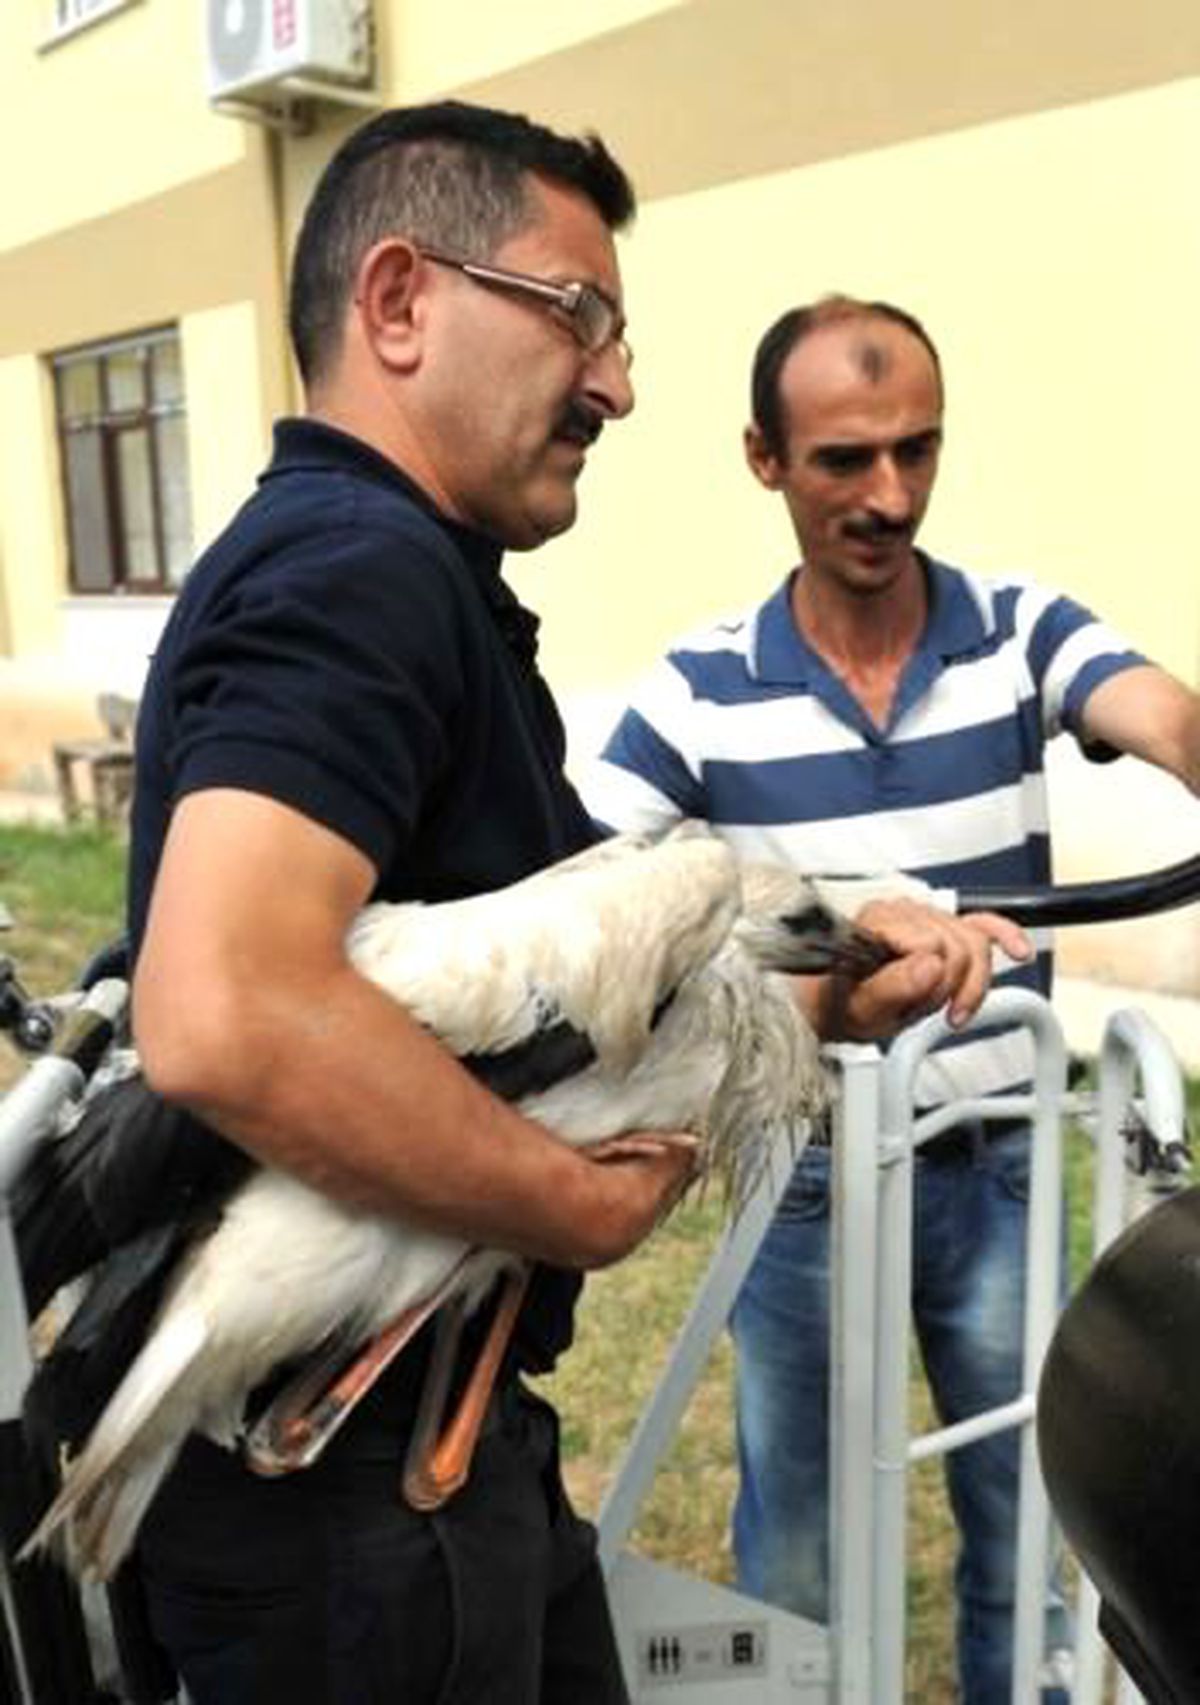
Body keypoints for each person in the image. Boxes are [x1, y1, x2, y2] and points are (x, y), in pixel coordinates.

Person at [121, 121, 1016, 1705]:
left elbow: (535, 1022)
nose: (615, 383)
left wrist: (819, 997)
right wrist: (564, 1202)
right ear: (401, 300)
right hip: (341, 1507)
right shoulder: (358, 572)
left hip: (431, 1457)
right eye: (578, 316)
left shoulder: (412, 573)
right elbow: (225, 1005)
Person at [586, 293, 1200, 1704]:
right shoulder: (698, 691)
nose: (891, 495)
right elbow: (582, 888)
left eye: (917, 451)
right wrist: (798, 949)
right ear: (763, 458)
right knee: (793, 1545)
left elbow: (1157, 713)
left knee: (1027, 1522)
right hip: (800, 1182)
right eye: (844, 460)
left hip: (998, 1172)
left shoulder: (1016, 629)